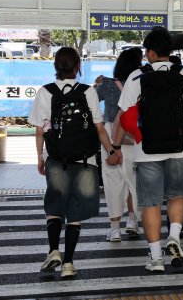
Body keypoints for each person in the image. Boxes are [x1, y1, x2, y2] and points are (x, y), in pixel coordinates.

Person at [112, 26, 183, 273]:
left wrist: (116, 146)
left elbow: (123, 116)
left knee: (151, 203)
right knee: (177, 194)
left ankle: (155, 258)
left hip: (147, 150)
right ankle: (174, 236)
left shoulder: (135, 77)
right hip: (180, 148)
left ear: (151, 53)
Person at [30, 47, 121, 279]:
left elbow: (40, 131)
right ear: (78, 66)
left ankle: (53, 251)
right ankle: (68, 262)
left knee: (54, 206)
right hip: (85, 160)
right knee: (75, 211)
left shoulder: (44, 92)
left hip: (56, 159)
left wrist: (41, 158)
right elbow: (99, 128)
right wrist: (111, 150)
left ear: (55, 67)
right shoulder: (88, 91)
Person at [94, 47, 143, 242]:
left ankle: (115, 230)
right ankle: (132, 222)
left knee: (113, 182)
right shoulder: (142, 83)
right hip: (135, 136)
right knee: (134, 181)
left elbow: (90, 101)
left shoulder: (106, 84)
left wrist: (96, 84)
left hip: (111, 138)